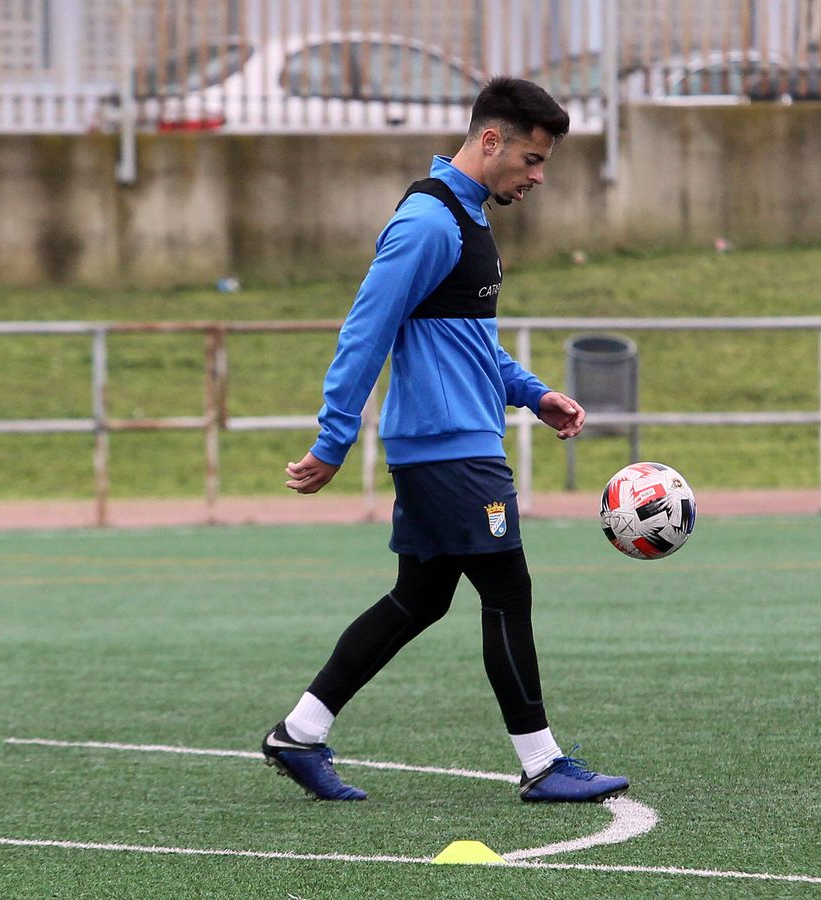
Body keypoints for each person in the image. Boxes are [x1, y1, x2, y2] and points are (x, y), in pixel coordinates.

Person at [261, 77, 629, 803]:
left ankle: (299, 734)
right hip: (450, 450)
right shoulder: (428, 224)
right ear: (489, 141)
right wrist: (333, 440)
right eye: (530, 160)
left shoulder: (467, 218)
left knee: (420, 599)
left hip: (454, 443)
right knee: (506, 589)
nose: (538, 177)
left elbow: (468, 345)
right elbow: (366, 330)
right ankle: (542, 763)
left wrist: (532, 393)